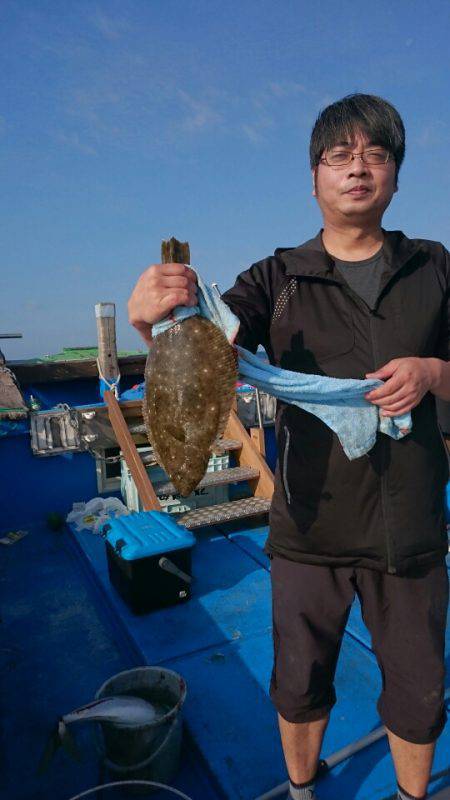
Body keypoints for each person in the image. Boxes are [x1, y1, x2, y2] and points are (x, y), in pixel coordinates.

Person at [127, 94, 450, 800]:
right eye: (339, 155)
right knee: (299, 683)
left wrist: (433, 372)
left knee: (421, 689)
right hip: (309, 526)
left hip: (412, 528)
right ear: (314, 178)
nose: (357, 168)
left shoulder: (434, 266)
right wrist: (154, 322)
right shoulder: (273, 279)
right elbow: (210, 342)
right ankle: (302, 791)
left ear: (396, 175)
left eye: (376, 155)